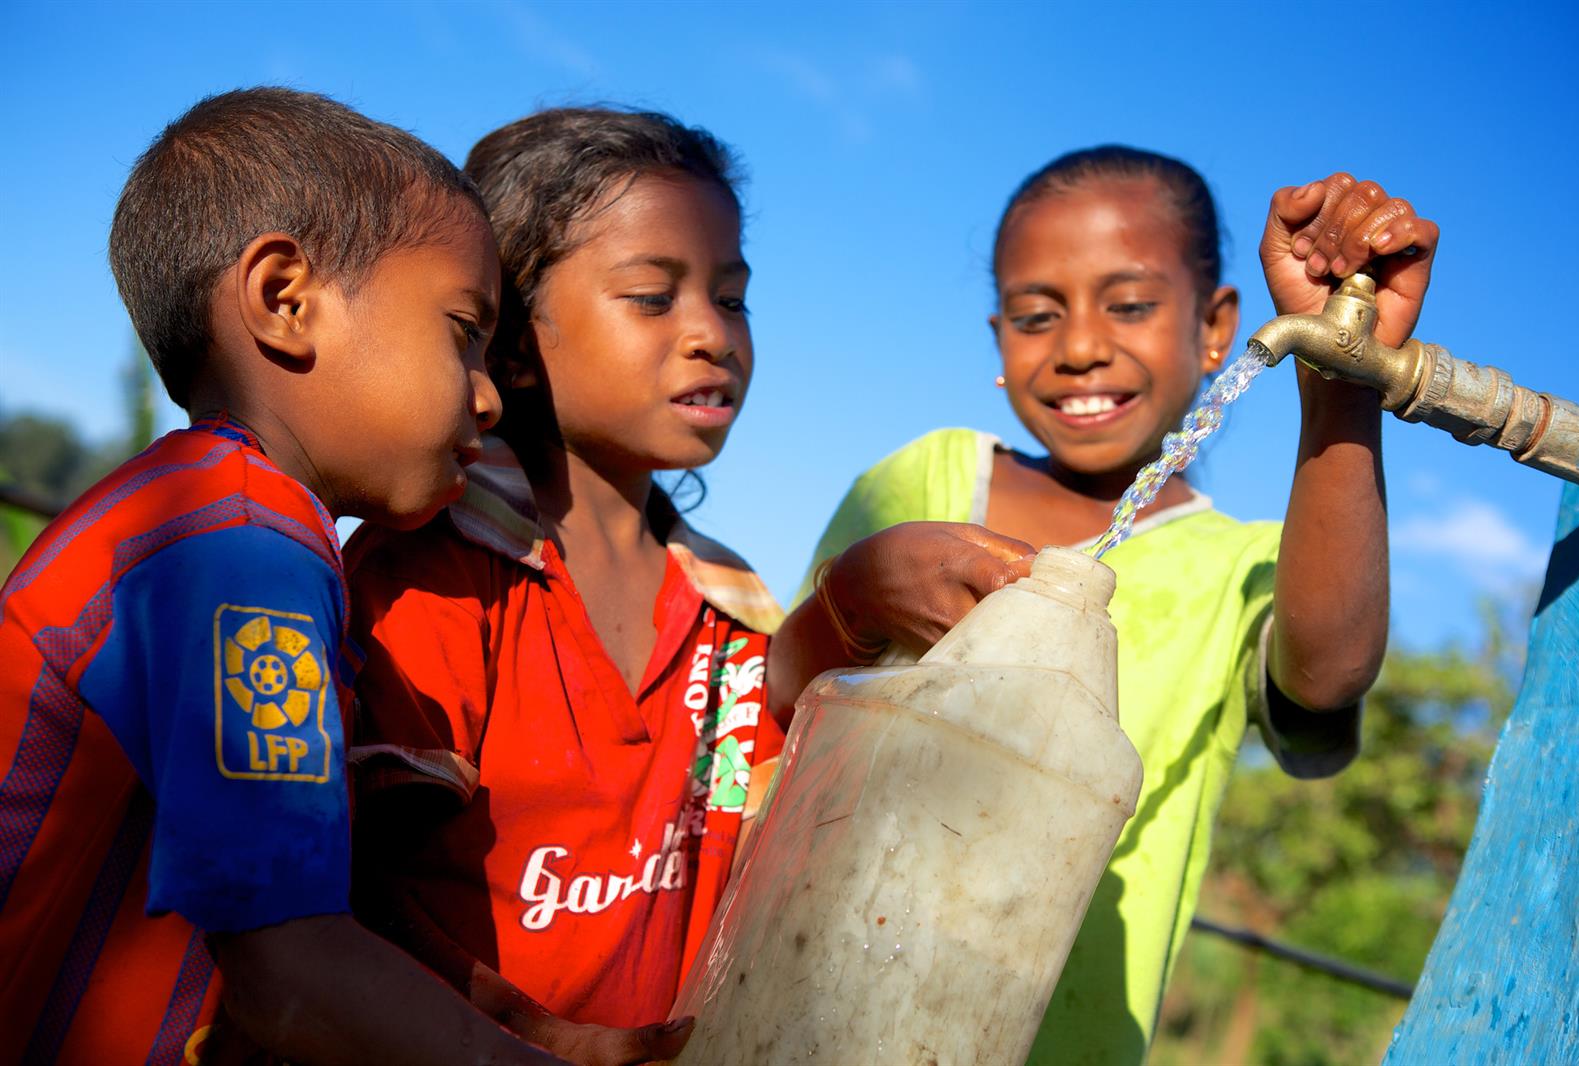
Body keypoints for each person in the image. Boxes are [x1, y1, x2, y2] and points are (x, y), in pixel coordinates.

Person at [344, 107, 1035, 1065]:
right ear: (508, 340)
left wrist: (856, 601)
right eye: (652, 296)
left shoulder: (725, 606)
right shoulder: (439, 572)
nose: (713, 334)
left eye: (733, 297)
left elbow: (756, 766)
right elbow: (342, 882)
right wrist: (529, 1039)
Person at [799, 146, 1438, 1064]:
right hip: (808, 1004)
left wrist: (1341, 371)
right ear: (997, 338)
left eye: (1130, 304)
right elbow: (769, 712)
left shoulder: (1245, 567)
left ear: (1218, 327)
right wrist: (857, 596)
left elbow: (1327, 672)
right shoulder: (925, 483)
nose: (1081, 346)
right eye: (1034, 316)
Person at [0, 87, 574, 1064]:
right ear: (285, 300)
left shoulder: (208, 518)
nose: (486, 396)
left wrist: (521, 1029)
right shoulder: (239, 544)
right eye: (463, 329)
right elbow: (290, 970)